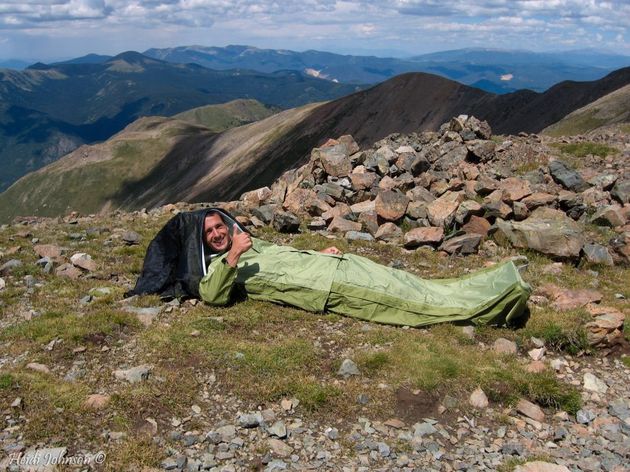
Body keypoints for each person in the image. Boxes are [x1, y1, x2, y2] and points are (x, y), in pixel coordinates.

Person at [199, 209, 531, 328]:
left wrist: (317, 252)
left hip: (334, 265)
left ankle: (492, 280)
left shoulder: (250, 242)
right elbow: (213, 297)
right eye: (209, 233)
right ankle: (496, 305)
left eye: (219, 227)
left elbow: (284, 257)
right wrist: (233, 257)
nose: (217, 234)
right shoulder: (218, 267)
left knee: (404, 279)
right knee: (408, 302)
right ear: (203, 242)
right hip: (328, 288)